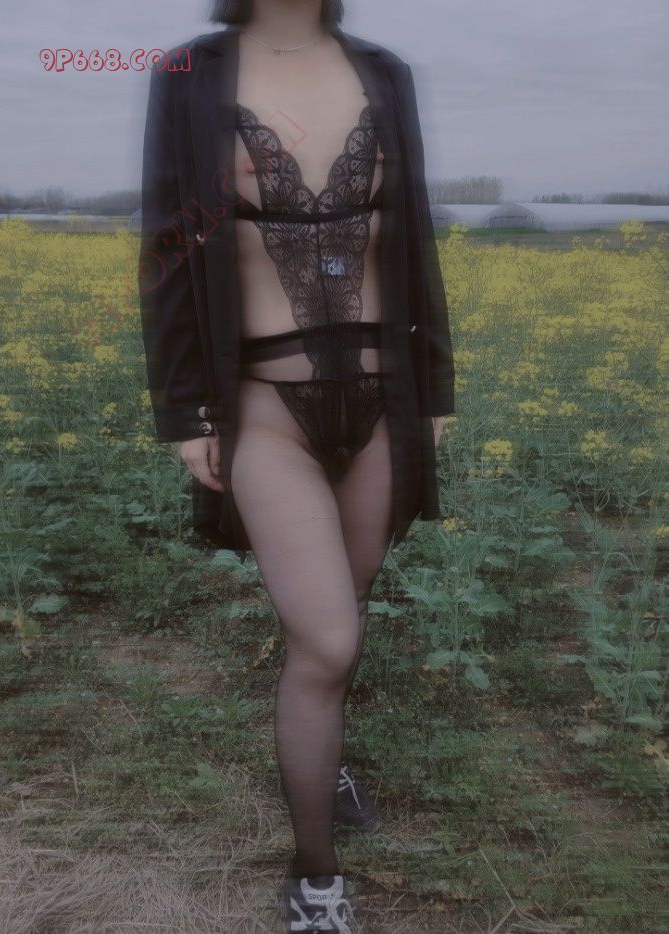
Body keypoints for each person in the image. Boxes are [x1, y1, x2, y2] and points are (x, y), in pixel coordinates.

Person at [139, 1, 455, 930]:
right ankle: (315, 880)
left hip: (383, 400)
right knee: (329, 640)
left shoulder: (383, 71)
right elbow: (169, 247)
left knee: (337, 612)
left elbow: (415, 234)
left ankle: (323, 753)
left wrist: (434, 391)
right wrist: (185, 409)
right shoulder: (190, 74)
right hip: (264, 406)